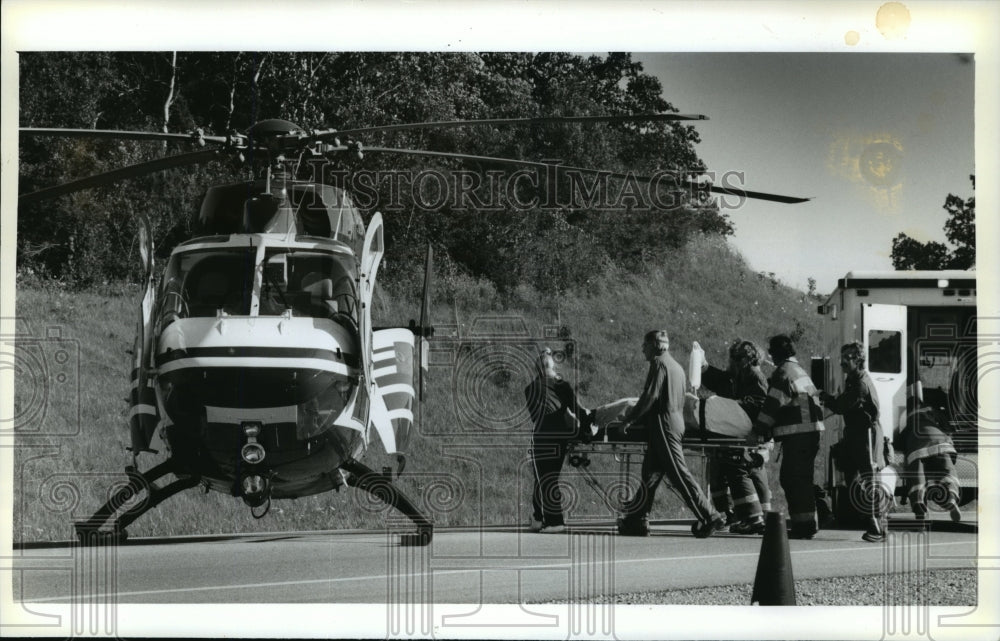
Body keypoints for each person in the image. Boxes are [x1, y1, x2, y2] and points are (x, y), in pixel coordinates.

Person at [618, 330, 727, 538]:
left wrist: (629, 420)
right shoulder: (675, 366)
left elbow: (650, 396)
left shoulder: (659, 364)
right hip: (674, 422)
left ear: (655, 345)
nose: (643, 348)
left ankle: (709, 515)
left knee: (678, 474)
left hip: (663, 425)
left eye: (645, 344)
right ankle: (636, 520)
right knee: (650, 475)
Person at [751, 334, 826, 539]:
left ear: (778, 353)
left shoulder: (783, 373)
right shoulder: (798, 370)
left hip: (800, 435)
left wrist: (758, 429)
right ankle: (808, 523)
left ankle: (804, 526)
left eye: (772, 352)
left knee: (794, 479)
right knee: (800, 479)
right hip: (808, 433)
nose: (771, 356)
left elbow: (772, 405)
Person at [820, 341, 888, 543]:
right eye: (842, 357)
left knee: (869, 479)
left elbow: (841, 406)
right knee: (853, 477)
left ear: (859, 360)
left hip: (866, 434)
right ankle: (870, 521)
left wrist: (824, 397)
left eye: (848, 358)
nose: (842, 362)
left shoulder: (860, 383)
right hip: (856, 433)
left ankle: (877, 525)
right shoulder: (853, 378)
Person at [702, 339, 771, 535]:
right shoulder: (736, 377)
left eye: (739, 358)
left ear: (751, 358)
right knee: (721, 471)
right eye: (733, 358)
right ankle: (732, 514)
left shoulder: (755, 377)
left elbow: (760, 406)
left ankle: (756, 516)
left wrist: (758, 434)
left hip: (749, 433)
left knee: (747, 470)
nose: (734, 361)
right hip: (734, 431)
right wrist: (704, 368)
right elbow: (719, 381)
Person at [524, 348, 585, 534]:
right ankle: (538, 516)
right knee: (546, 477)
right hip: (560, 437)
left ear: (537, 371)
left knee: (544, 477)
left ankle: (554, 520)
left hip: (543, 436)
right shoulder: (563, 386)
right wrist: (586, 430)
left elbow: (536, 415)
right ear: (553, 368)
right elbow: (578, 410)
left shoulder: (530, 389)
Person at [893, 395, 962, 522]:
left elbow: (899, 442)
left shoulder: (908, 419)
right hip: (940, 443)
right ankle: (951, 499)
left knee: (917, 481)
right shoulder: (932, 410)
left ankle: (920, 510)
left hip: (917, 448)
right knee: (947, 473)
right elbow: (947, 427)